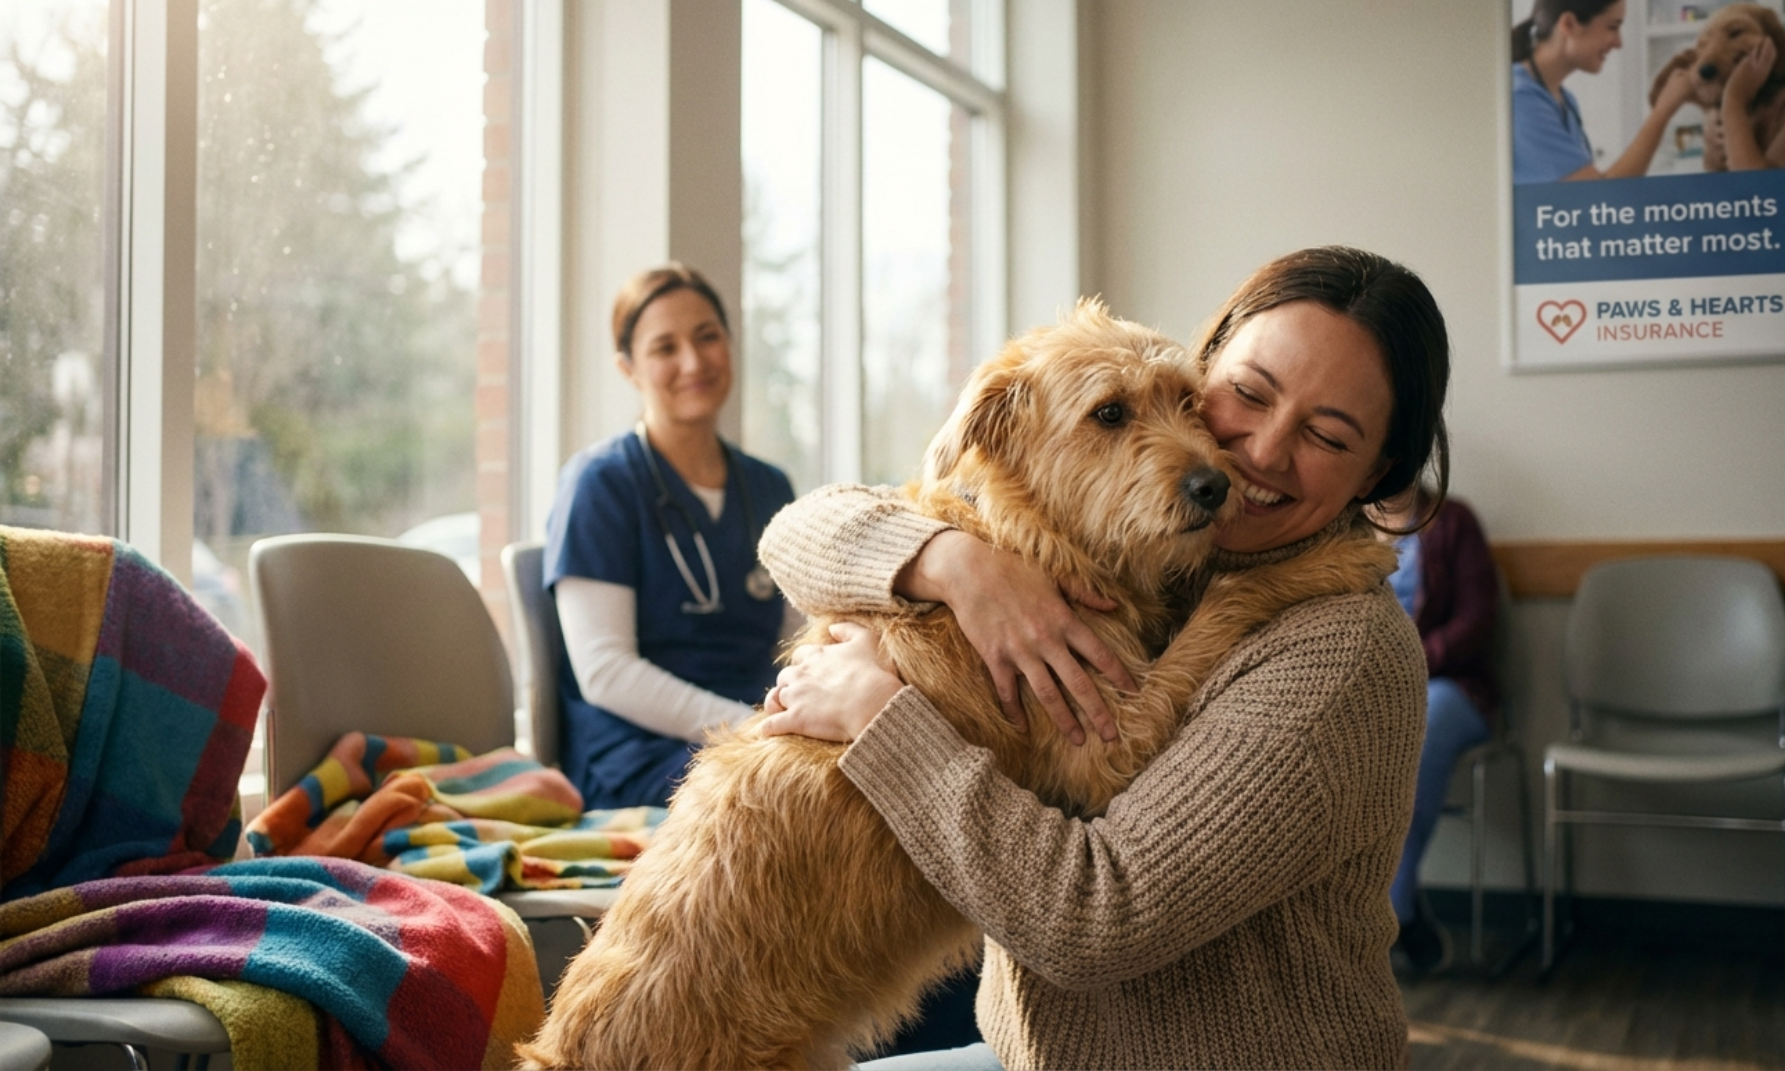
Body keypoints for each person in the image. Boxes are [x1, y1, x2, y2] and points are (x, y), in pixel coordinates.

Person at [756, 246, 1448, 1069]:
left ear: (1380, 473)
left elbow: (1094, 918)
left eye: (1327, 435)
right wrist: (954, 563)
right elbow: (793, 534)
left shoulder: (1342, 652)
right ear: (1206, 366)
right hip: (1033, 1053)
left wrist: (881, 720)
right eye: (1248, 393)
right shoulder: (1141, 549)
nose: (1260, 453)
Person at [543, 263, 797, 809]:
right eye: (665, 347)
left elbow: (796, 640)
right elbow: (605, 672)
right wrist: (747, 729)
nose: (693, 362)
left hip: (759, 736)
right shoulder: (600, 485)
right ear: (628, 368)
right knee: (798, 799)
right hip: (637, 753)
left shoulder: (768, 488)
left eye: (707, 337)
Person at [1378, 495, 1502, 975]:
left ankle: (1395, 910)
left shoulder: (1453, 521)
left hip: (1449, 686)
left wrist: (1410, 662)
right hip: (1368, 689)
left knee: (1422, 720)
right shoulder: (1337, 522)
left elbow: (1477, 618)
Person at [1511, 0, 1696, 184]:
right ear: (1569, 24)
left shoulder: (1565, 100)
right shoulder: (1521, 101)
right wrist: (1662, 111)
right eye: (1612, 27)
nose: (1619, 43)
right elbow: (1599, 195)